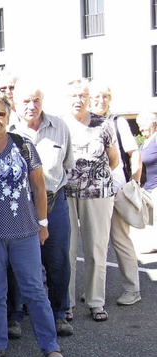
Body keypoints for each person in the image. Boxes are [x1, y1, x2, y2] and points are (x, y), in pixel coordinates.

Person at [0, 91, 68, 357]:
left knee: (35, 290)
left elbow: (39, 187)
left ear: (8, 117)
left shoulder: (22, 145)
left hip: (24, 231)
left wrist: (43, 224)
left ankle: (51, 347)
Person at [10, 81, 75, 337]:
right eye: (25, 101)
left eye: (36, 100)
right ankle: (14, 316)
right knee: (16, 262)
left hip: (54, 200)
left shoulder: (59, 126)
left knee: (57, 259)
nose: (31, 106)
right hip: (19, 205)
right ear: (15, 103)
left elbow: (67, 164)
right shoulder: (7, 129)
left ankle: (59, 314)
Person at [64, 79, 121, 322]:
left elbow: (114, 160)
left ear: (89, 98)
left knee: (96, 249)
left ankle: (96, 301)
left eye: (83, 95)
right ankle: (65, 303)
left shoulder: (104, 124)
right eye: (74, 95)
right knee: (65, 250)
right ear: (67, 98)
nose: (78, 99)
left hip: (98, 193)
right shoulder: (60, 124)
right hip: (65, 193)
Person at [90, 81, 142, 306]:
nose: (100, 101)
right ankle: (94, 291)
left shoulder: (117, 122)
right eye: (96, 97)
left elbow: (134, 153)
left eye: (104, 97)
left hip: (117, 189)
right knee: (95, 242)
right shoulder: (86, 124)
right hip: (93, 192)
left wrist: (134, 184)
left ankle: (132, 289)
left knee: (120, 240)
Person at [133, 111, 157, 254]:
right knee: (151, 218)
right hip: (147, 186)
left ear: (153, 124)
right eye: (139, 126)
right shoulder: (146, 142)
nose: (141, 129)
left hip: (156, 185)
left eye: (143, 126)